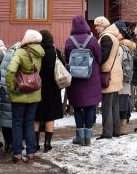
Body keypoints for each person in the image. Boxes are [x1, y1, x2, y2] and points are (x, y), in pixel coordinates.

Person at [6, 30, 45, 164]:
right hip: (34, 94)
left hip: (19, 94)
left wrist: (11, 87)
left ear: (28, 39)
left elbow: (11, 70)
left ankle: (17, 155)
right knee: (29, 123)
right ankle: (31, 154)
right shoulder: (40, 53)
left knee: (17, 124)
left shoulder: (21, 52)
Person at [64, 16, 102, 146]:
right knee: (90, 107)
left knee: (78, 108)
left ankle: (80, 137)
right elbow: (99, 57)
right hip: (91, 79)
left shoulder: (69, 41)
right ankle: (88, 137)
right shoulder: (92, 40)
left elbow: (66, 58)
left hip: (75, 81)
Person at [34, 29, 64, 153]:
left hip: (36, 89)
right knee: (50, 117)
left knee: (35, 117)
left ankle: (35, 144)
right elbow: (63, 67)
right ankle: (47, 144)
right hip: (52, 89)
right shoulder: (55, 52)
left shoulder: (35, 53)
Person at [97, 21, 123, 139]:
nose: (96, 28)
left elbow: (103, 56)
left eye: (98, 25)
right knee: (114, 105)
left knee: (107, 106)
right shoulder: (113, 36)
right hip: (115, 74)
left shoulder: (106, 37)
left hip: (108, 75)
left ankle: (107, 132)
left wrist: (95, 64)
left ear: (103, 26)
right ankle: (116, 130)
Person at [0, 42, 20, 154]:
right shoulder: (21, 56)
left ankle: (7, 144)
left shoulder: (7, 55)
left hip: (4, 90)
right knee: (16, 120)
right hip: (16, 91)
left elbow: (2, 72)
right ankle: (15, 144)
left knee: (5, 119)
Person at [113, 21, 136, 136]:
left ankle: (120, 127)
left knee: (118, 103)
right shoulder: (130, 46)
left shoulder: (120, 47)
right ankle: (123, 125)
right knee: (124, 100)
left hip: (119, 77)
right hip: (127, 77)